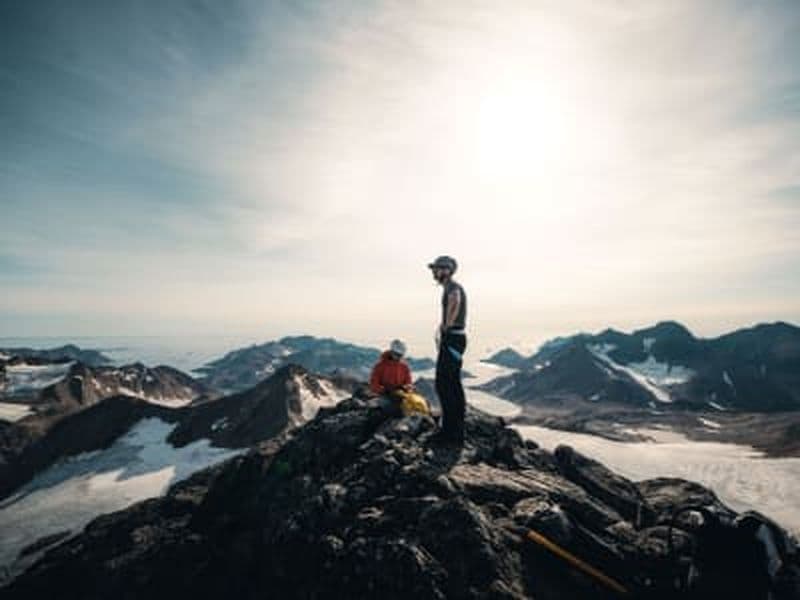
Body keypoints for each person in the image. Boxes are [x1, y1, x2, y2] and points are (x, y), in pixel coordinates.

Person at [427, 255, 467, 445]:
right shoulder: (451, 286)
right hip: (455, 338)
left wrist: (447, 324)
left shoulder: (452, 287)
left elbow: (455, 300)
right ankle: (455, 430)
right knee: (452, 384)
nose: (434, 272)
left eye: (437, 269)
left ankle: (450, 432)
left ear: (447, 270)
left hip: (452, 338)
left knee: (445, 384)